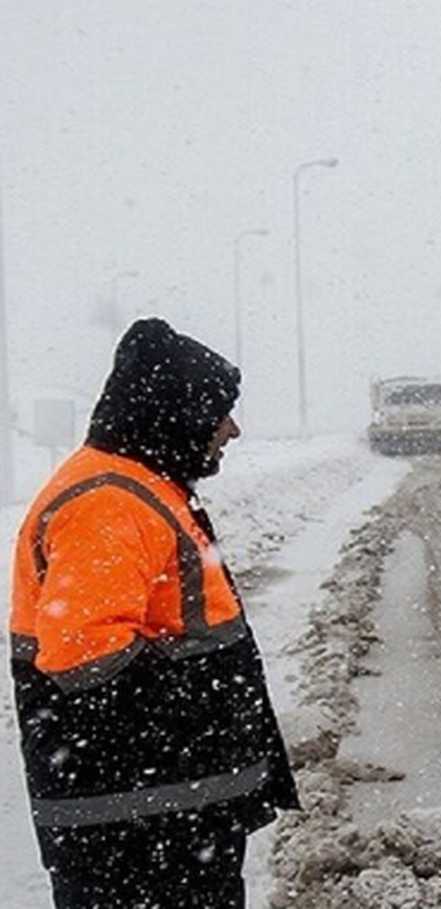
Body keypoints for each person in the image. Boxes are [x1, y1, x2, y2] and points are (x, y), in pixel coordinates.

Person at [9, 318, 299, 908]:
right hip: (139, 834)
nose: (232, 429)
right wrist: (203, 716)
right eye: (221, 411)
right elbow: (84, 657)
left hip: (163, 817)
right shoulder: (108, 502)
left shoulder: (140, 485)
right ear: (179, 411)